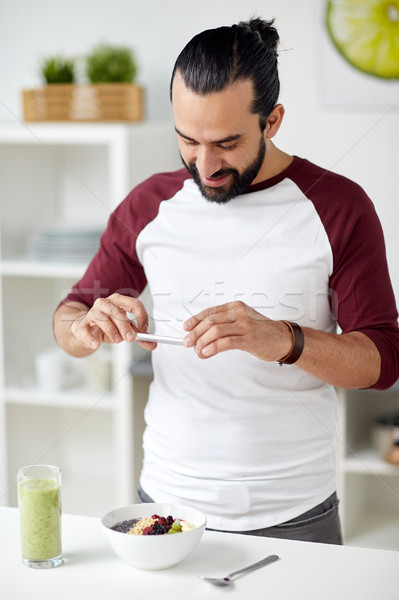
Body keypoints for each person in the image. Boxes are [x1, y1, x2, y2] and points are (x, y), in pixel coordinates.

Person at [53, 18, 399, 544]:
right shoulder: (150, 203)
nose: (206, 165)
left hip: (295, 514)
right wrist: (86, 328)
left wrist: (285, 339)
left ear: (273, 120)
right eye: (188, 141)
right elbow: (69, 315)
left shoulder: (339, 207)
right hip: (164, 506)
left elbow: (382, 360)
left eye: (228, 143)